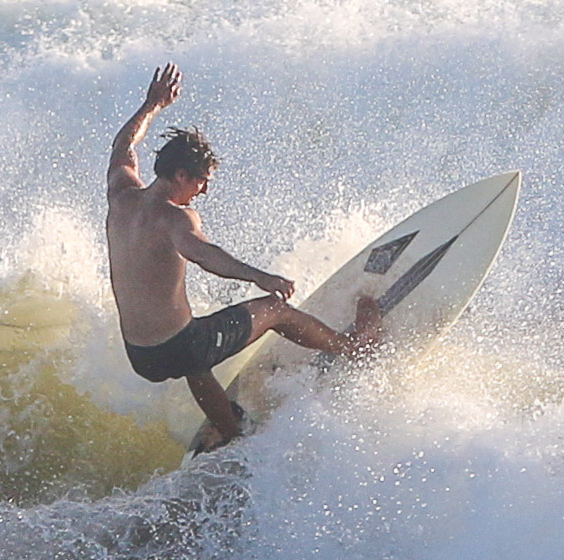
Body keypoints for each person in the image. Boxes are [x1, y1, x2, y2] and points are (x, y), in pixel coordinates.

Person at [105, 63, 381, 448]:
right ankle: (356, 347)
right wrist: (260, 278)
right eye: (202, 181)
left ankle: (230, 431)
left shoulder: (121, 195)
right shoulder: (176, 218)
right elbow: (205, 254)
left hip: (142, 356)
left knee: (194, 349)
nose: (202, 192)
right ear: (181, 175)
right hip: (180, 346)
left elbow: (123, 146)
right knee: (273, 311)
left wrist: (152, 105)